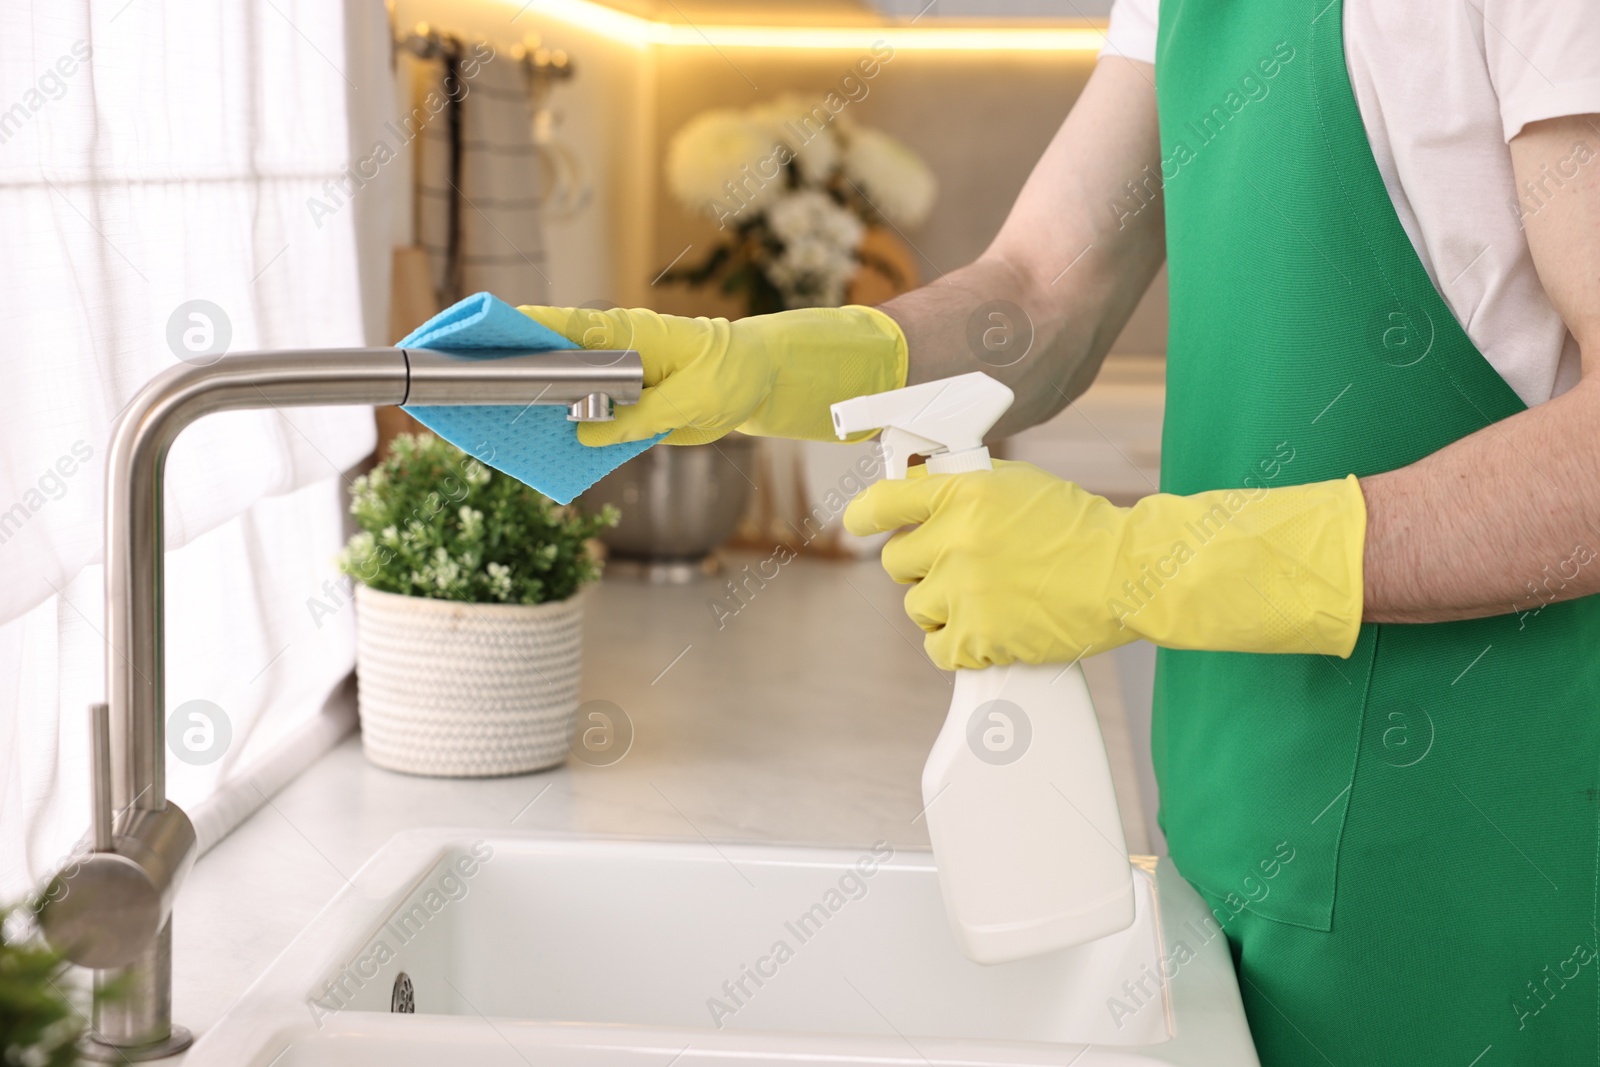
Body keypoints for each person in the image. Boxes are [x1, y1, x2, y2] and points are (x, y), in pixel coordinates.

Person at [525, 1, 1600, 1061]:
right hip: (1236, 823)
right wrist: (751, 365)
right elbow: (1039, 292)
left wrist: (1134, 564)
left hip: (1480, 866)